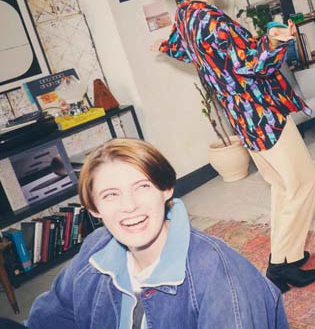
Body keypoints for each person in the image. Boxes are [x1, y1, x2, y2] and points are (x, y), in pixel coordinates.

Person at [136, 0, 315, 292]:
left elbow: (190, 51)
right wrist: (277, 41)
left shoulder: (187, 15)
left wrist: (166, 45)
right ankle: (282, 266)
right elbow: (253, 64)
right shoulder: (208, 19)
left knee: (283, 185)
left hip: (243, 117)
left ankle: (286, 257)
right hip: (262, 114)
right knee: (302, 182)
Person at [26, 138, 288, 328]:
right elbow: (48, 318)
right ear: (94, 209)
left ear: (166, 190)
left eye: (142, 187)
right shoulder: (95, 251)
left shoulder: (218, 274)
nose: (129, 206)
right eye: (111, 195)